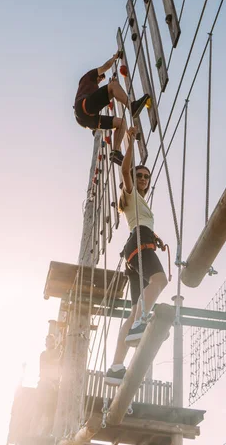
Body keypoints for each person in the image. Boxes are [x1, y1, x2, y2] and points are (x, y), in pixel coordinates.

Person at [105, 126, 168, 385]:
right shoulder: (129, 194)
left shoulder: (139, 205)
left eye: (146, 177)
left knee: (133, 310)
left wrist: (156, 238)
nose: (143, 179)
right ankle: (141, 324)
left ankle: (116, 368)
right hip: (139, 243)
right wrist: (130, 143)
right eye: (139, 175)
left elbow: (141, 224)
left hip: (138, 245)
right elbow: (123, 170)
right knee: (160, 281)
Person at [74, 52, 149, 165]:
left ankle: (116, 152)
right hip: (83, 106)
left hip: (89, 119)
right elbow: (106, 66)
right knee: (113, 86)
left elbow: (102, 97)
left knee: (121, 123)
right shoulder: (89, 76)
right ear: (97, 76)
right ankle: (132, 107)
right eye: (99, 79)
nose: (99, 82)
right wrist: (114, 57)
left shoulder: (92, 89)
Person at [30, 334, 62, 436]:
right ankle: (33, 432)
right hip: (44, 385)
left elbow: (59, 365)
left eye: (51, 341)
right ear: (46, 343)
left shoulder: (58, 353)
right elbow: (48, 363)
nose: (49, 343)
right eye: (48, 341)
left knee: (50, 412)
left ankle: (45, 433)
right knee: (39, 409)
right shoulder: (44, 354)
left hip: (52, 387)